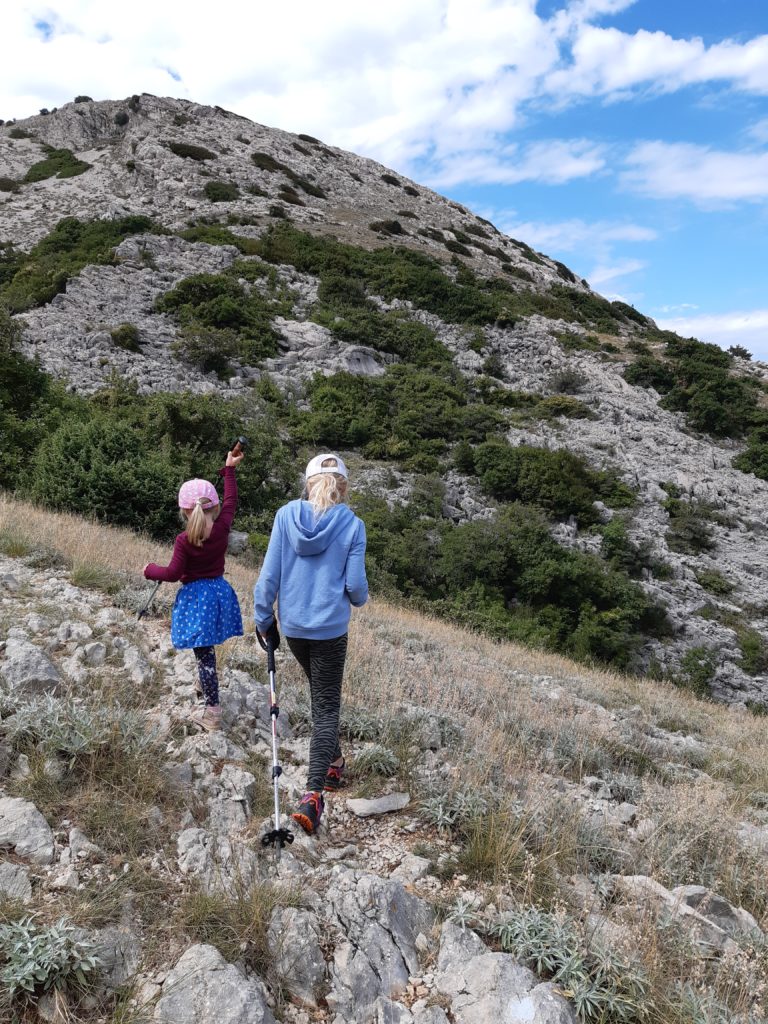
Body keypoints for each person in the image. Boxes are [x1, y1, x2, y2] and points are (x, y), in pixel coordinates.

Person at [253, 453, 368, 835]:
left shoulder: (286, 516)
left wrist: (262, 618)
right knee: (325, 707)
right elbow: (356, 590)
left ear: (308, 483)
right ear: (343, 488)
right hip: (330, 630)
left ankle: (333, 761)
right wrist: (358, 594)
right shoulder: (353, 526)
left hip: (295, 628)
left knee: (320, 694)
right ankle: (313, 794)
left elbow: (269, 574)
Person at [143, 447, 244, 731]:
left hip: (196, 599)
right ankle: (205, 685)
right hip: (218, 592)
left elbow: (173, 574)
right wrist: (230, 469)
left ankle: (212, 712)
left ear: (184, 511)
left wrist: (150, 570)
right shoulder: (222, 527)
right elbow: (232, 499)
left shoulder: (184, 539)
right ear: (214, 507)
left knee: (204, 654)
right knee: (206, 649)